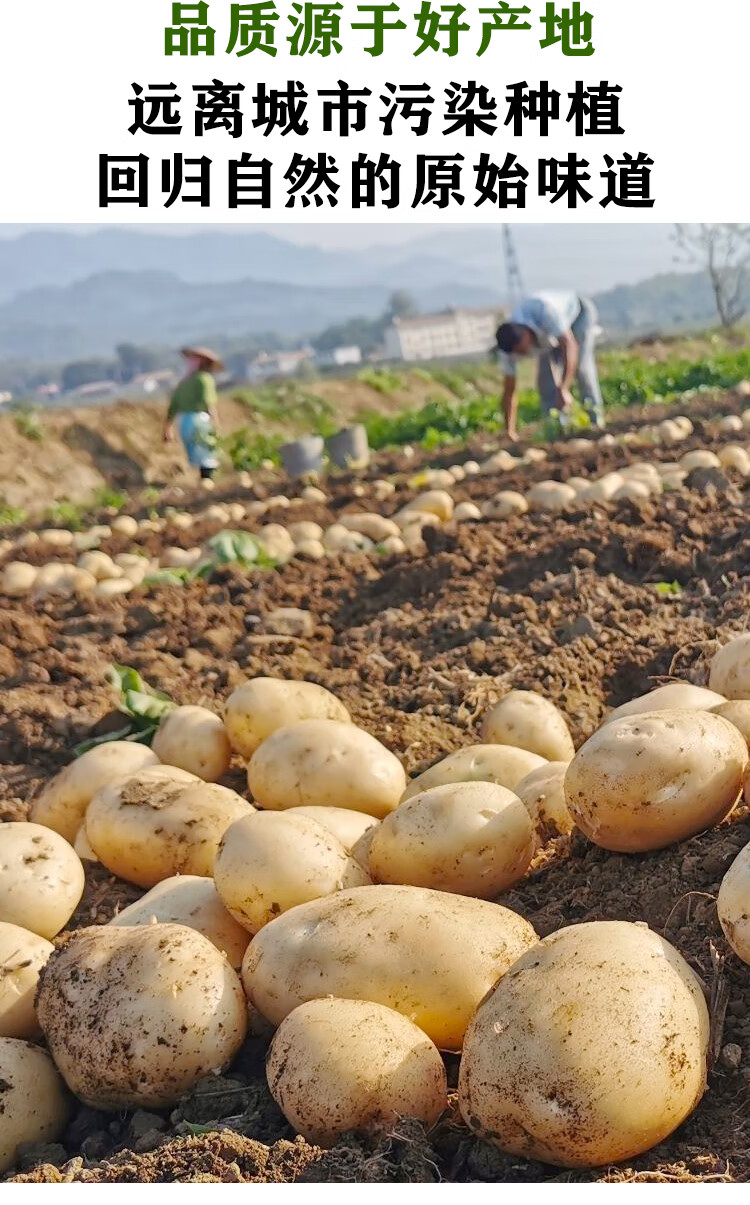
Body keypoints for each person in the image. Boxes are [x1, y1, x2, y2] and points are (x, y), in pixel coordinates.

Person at [495, 291, 605, 442]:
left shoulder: (544, 311)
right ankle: (556, 431)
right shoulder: (508, 352)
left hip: (578, 316)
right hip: (548, 336)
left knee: (581, 369)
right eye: (519, 353)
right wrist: (510, 430)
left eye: (522, 350)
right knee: (546, 382)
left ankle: (595, 424)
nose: (524, 354)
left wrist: (564, 387)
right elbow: (509, 391)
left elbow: (570, 345)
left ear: (525, 334)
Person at [163, 346, 223, 480]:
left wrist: (168, 427)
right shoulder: (204, 379)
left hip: (184, 422)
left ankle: (205, 480)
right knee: (207, 453)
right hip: (199, 420)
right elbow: (209, 402)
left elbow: (173, 406)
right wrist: (215, 423)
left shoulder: (185, 383)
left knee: (198, 452)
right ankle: (208, 480)